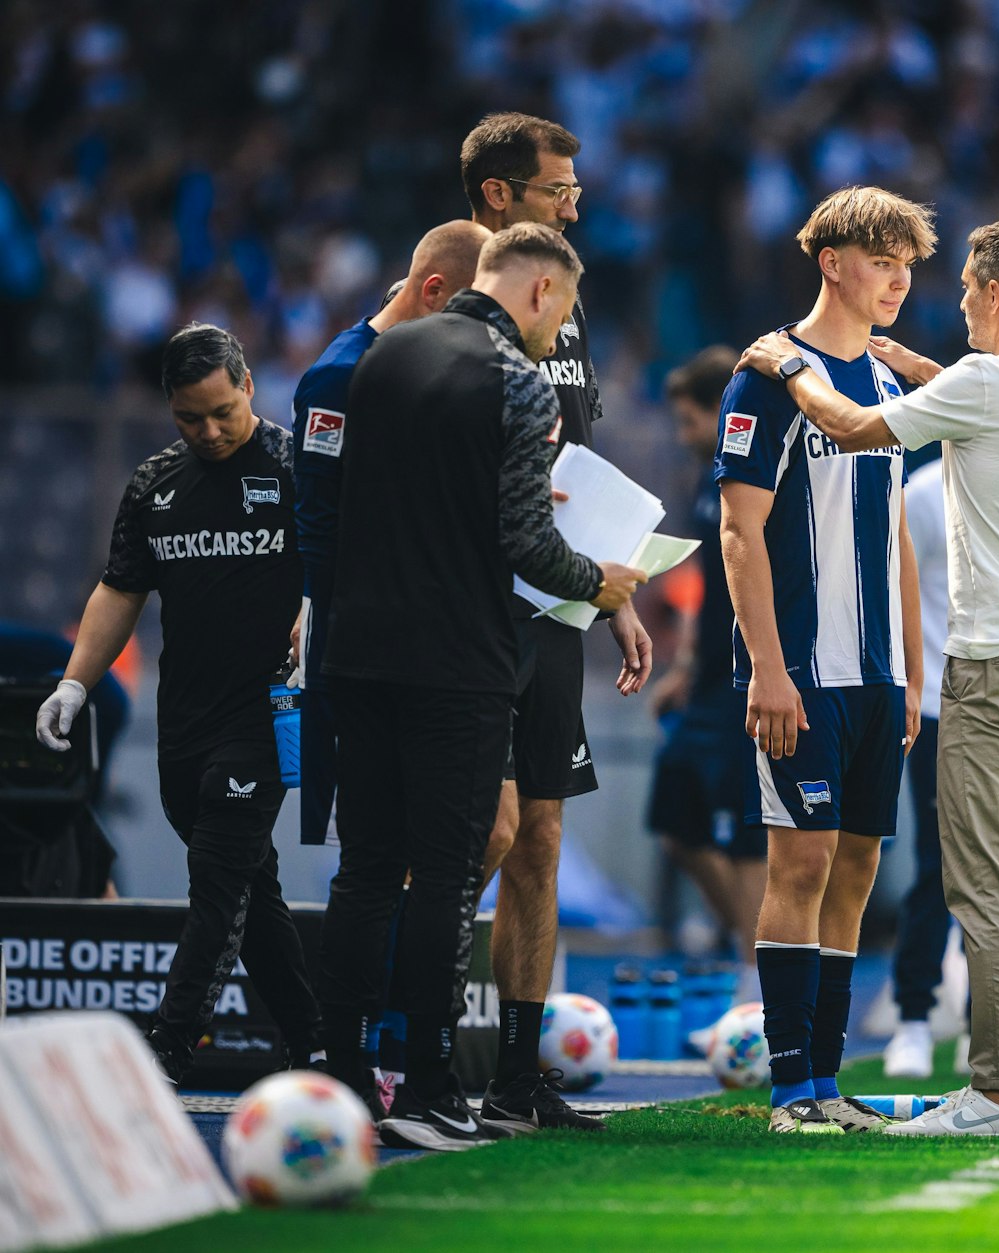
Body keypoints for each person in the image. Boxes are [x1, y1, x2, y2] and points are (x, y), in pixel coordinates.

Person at [741, 216, 999, 1138]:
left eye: (961, 290)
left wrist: (784, 364)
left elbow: (854, 424)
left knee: (984, 882)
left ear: (994, 293)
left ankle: (993, 1094)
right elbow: (985, 399)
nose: (953, 304)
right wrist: (919, 368)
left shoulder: (984, 385)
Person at [316, 223, 643, 1150]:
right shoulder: (517, 381)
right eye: (562, 315)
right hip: (456, 661)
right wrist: (603, 581)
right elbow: (525, 544)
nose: (557, 336)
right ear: (540, 292)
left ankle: (340, 1071)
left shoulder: (380, 355)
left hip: (359, 648)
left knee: (368, 869)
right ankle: (427, 1091)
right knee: (449, 880)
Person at [35, 322, 322, 1084]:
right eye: (189, 417)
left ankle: (168, 1044)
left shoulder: (300, 468)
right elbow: (120, 586)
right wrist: (73, 682)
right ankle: (316, 1043)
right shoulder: (156, 482)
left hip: (265, 714)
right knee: (247, 884)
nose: (209, 429)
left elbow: (354, 562)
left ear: (250, 386)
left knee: (219, 876)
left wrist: (309, 609)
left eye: (222, 411)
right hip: (183, 719)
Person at [717, 187, 932, 1134]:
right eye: (882, 258)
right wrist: (767, 667)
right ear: (832, 260)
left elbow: (900, 534)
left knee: (857, 871)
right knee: (798, 867)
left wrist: (914, 670)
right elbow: (738, 530)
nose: (897, 278)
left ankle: (828, 1085)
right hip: (800, 671)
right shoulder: (768, 374)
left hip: (879, 677)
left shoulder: (886, 384)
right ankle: (788, 1088)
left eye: (908, 264)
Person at [460, 111, 654, 1131]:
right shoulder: (459, 284)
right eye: (554, 189)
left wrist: (604, 597)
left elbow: (575, 467)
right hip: (476, 614)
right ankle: (416, 1046)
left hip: (559, 605)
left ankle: (517, 1077)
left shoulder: (565, 304)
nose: (574, 201)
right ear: (498, 196)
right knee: (469, 837)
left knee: (538, 837)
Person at [291, 220, 492, 846]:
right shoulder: (339, 378)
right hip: (358, 646)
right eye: (472, 312)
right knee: (374, 844)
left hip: (419, 637)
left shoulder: (430, 373)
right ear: (433, 292)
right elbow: (317, 522)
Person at [645, 346, 766, 993]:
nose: (682, 432)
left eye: (690, 418)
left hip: (749, 679)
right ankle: (749, 952)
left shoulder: (759, 469)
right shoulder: (707, 479)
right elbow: (705, 579)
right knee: (676, 826)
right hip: (707, 682)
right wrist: (685, 664)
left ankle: (757, 974)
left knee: (746, 833)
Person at [881, 455, 953, 1080]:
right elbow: (890, 587)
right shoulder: (924, 496)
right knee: (940, 865)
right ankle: (914, 1018)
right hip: (936, 708)